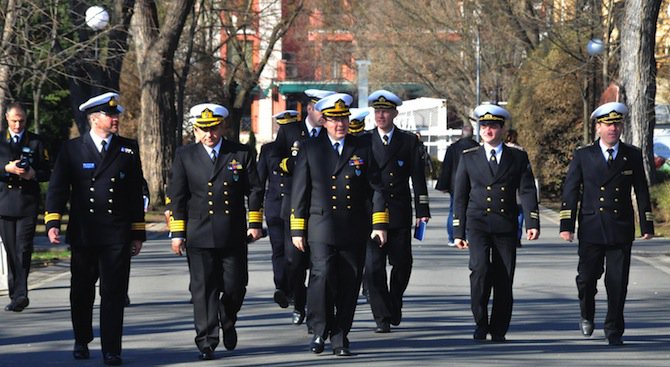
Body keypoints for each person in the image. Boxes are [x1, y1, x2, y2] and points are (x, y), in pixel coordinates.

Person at [45, 92, 146, 366]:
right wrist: (53, 222)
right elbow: (57, 189)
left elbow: (136, 192)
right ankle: (82, 338)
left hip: (117, 233)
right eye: (110, 115)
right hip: (85, 233)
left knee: (113, 294)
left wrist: (138, 233)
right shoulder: (72, 149)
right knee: (81, 290)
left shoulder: (128, 148)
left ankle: (112, 349)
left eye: (116, 115)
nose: (116, 120)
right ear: (94, 118)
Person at [290, 93, 388, 356]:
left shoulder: (362, 148)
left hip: (353, 226)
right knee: (321, 276)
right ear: (324, 121)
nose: (340, 124)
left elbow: (376, 189)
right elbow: (300, 191)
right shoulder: (310, 148)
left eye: (343, 118)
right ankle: (320, 330)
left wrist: (379, 224)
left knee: (349, 282)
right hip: (320, 225)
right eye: (334, 119)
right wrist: (297, 229)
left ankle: (340, 336)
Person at [168, 103, 264, 361]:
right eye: (203, 129)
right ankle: (207, 340)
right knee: (203, 288)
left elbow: (254, 189)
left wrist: (254, 223)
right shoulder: (185, 155)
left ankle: (227, 316)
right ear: (196, 130)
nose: (209, 134)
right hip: (198, 232)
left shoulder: (240, 153)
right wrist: (177, 233)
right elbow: (176, 196)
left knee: (236, 286)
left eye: (213, 128)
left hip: (232, 232)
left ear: (222, 126)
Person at [559, 102, 654, 346]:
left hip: (619, 227)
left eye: (617, 124)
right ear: (598, 127)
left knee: (617, 282)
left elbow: (641, 190)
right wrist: (566, 225)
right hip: (591, 226)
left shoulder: (631, 154)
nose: (613, 129)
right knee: (586, 278)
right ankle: (586, 312)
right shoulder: (584, 155)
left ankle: (614, 329)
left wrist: (646, 224)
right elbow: (570, 191)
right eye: (608, 124)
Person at [452, 104, 540, 342]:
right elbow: (460, 195)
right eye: (484, 126)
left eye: (493, 126)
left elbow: (528, 190)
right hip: (478, 222)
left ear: (502, 129)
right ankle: (480, 322)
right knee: (479, 271)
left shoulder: (517, 157)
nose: (488, 130)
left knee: (504, 276)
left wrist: (532, 221)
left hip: (505, 224)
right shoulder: (469, 157)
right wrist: (458, 230)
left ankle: (499, 327)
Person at [364, 89, 430, 333]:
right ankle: (382, 316)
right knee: (373, 268)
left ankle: (395, 299)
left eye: (385, 111)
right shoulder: (363, 140)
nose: (380, 116)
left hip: (400, 211)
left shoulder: (408, 141)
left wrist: (423, 209)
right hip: (371, 213)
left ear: (395, 113)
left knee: (402, 263)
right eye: (377, 111)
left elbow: (418, 178)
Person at [271, 89, 335, 327]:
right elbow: (273, 158)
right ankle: (299, 302)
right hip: (294, 204)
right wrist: (294, 164)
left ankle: (318, 307)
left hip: (321, 205)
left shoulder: (329, 135)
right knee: (294, 260)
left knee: (320, 262)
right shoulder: (290, 131)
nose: (323, 115)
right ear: (310, 108)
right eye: (320, 109)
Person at [0, 103, 51, 312]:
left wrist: (33, 174)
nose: (18, 124)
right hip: (4, 204)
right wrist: (6, 168)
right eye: (14, 120)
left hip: (27, 203)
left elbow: (48, 170)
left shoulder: (37, 141)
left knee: (23, 249)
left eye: (21, 120)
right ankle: (15, 293)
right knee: (11, 250)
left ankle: (21, 294)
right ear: (6, 118)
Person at [257, 110, 299, 307]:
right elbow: (260, 182)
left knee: (293, 253)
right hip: (274, 206)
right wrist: (255, 216)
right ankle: (281, 287)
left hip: (294, 208)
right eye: (283, 128)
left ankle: (294, 288)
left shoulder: (302, 150)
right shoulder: (268, 150)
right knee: (278, 250)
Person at [435, 122, 478, 247]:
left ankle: (452, 237)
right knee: (470, 210)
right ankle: (468, 236)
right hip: (473, 183)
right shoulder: (477, 147)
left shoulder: (453, 148)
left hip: (455, 183)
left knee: (454, 210)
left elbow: (446, 168)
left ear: (461, 133)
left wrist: (443, 184)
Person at [504, 128, 525, 247]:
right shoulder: (520, 150)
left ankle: (510, 233)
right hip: (518, 187)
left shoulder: (502, 150)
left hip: (508, 187)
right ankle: (518, 235)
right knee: (520, 213)